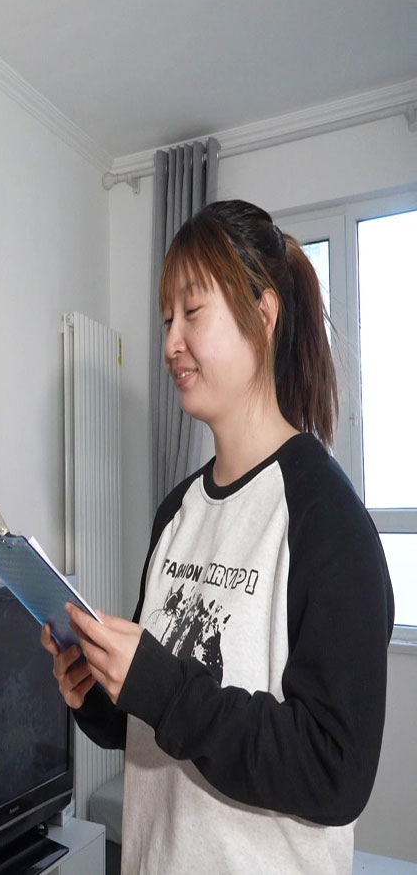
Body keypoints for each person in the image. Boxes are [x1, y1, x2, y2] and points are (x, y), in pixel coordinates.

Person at [43, 200, 394, 874]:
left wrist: (164, 688)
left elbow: (335, 770)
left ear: (264, 314)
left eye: (192, 312)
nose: (170, 342)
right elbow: (155, 726)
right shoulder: (177, 512)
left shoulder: (327, 520)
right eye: (166, 319)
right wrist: (95, 693)